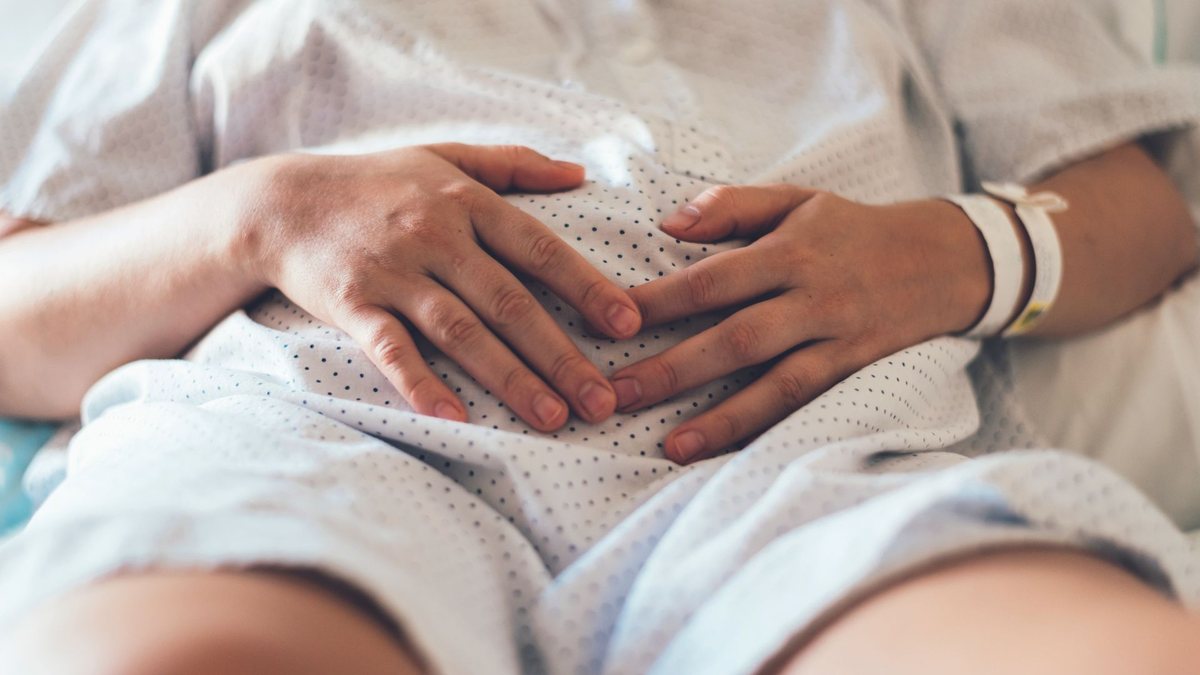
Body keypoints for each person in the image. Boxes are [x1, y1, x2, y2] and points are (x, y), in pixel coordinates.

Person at [1, 1, 1199, 673]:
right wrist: (257, 217)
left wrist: (957, 249)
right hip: (317, 441)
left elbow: (1139, 214)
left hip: (806, 475)